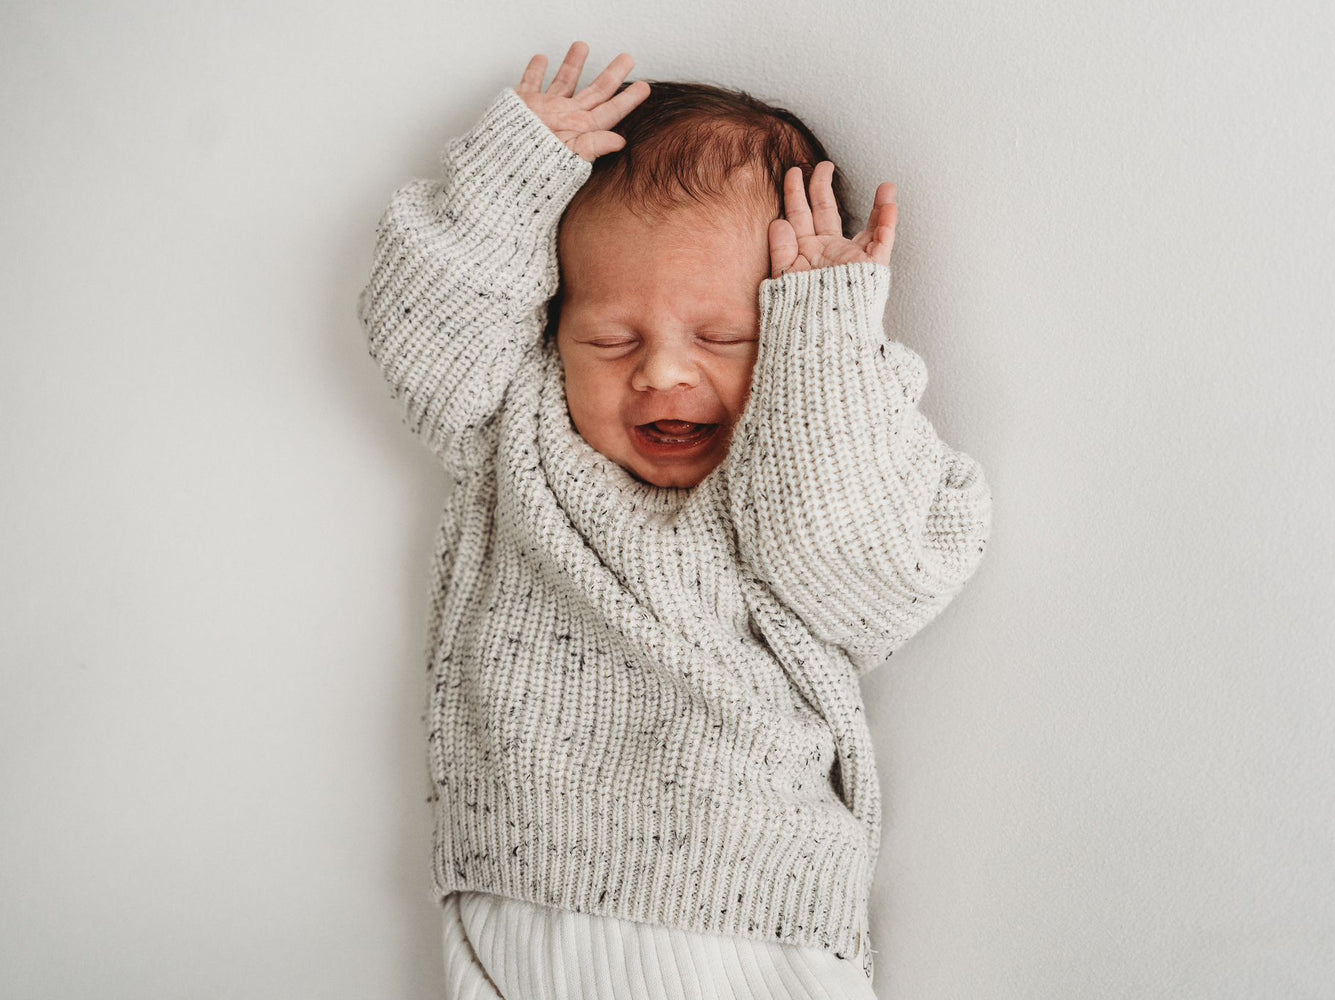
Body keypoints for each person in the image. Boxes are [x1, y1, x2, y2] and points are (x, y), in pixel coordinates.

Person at [358, 40, 992, 1000]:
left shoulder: (812, 443)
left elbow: (865, 585)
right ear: (551, 328)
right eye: (610, 339)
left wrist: (821, 342)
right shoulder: (518, 430)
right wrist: (515, 173)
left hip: (746, 908)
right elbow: (422, 323)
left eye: (722, 337)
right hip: (515, 887)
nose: (660, 373)